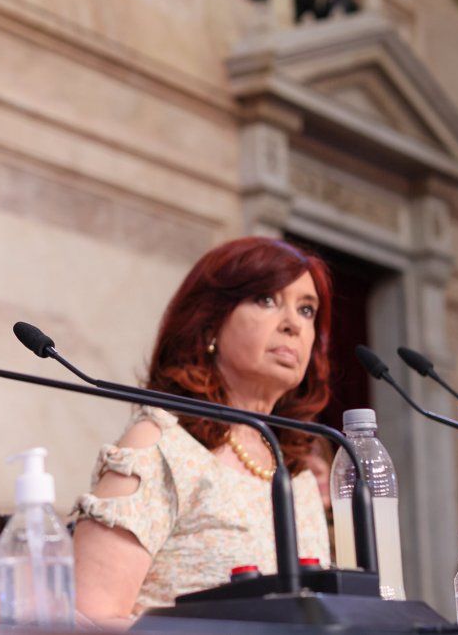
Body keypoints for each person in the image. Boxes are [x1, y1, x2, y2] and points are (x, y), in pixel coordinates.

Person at [73, 237, 333, 626]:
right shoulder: (159, 447)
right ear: (210, 322)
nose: (293, 324)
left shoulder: (297, 472)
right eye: (266, 300)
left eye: (307, 310)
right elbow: (85, 618)